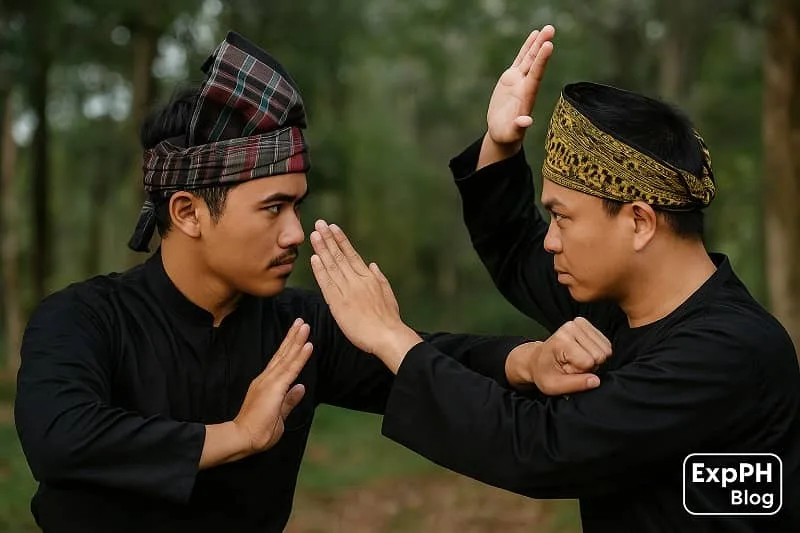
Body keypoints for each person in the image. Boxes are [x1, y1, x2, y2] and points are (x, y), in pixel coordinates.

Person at [13, 31, 604, 533]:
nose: (295, 232)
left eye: (297, 207)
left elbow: (419, 355)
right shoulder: (82, 319)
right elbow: (61, 438)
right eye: (273, 208)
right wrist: (237, 436)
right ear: (189, 212)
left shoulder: (296, 327)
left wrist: (529, 361)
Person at [307, 25, 800, 533]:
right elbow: (517, 248)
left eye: (563, 218)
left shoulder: (729, 352)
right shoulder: (618, 308)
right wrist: (501, 143)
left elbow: (542, 448)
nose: (551, 240)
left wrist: (393, 338)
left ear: (638, 222)